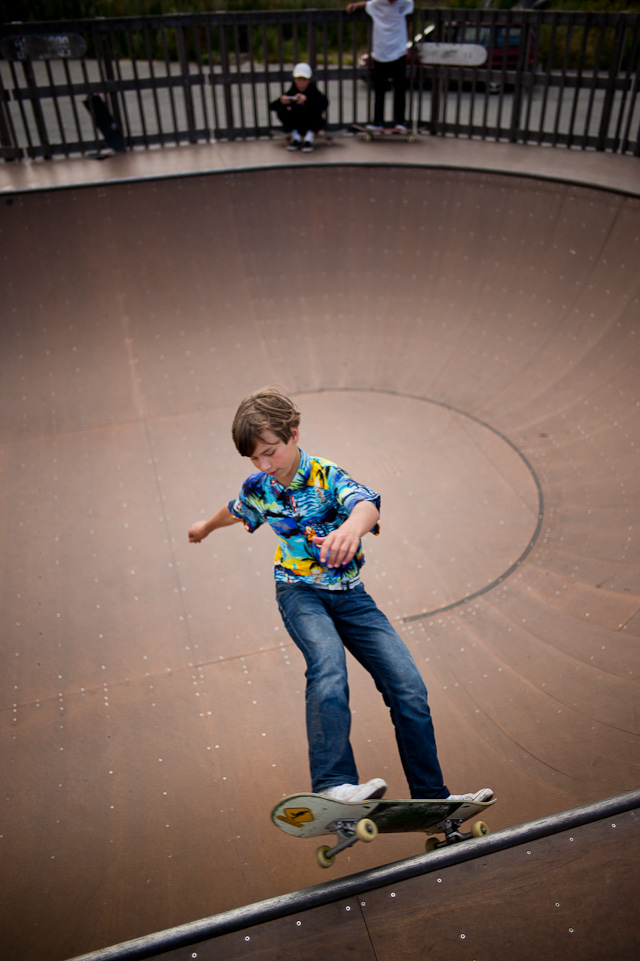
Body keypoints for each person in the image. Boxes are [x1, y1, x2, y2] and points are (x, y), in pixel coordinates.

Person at [189, 387, 492, 805]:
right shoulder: (260, 486)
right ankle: (334, 783)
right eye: (254, 458)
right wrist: (205, 526)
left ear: (293, 434)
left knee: (409, 688)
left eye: (270, 452)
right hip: (299, 592)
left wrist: (351, 529)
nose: (264, 464)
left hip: (352, 598)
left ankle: (431, 798)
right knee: (328, 667)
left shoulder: (327, 476)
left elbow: (366, 505)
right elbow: (237, 508)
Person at [346, 0, 413, 133]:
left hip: (398, 51)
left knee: (399, 88)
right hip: (381, 53)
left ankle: (400, 121)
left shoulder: (404, 3)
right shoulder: (377, 4)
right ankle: (378, 122)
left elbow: (411, 4)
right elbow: (367, 3)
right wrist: (354, 6)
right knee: (379, 89)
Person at [269, 62, 329, 152]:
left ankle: (309, 139)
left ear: (309, 80)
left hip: (311, 123)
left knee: (317, 107)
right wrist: (281, 102)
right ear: (295, 80)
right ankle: (296, 138)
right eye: (299, 80)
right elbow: (271, 106)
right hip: (296, 123)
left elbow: (325, 102)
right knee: (281, 109)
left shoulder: (313, 91)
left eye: (304, 80)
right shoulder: (292, 91)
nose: (302, 83)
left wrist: (307, 100)